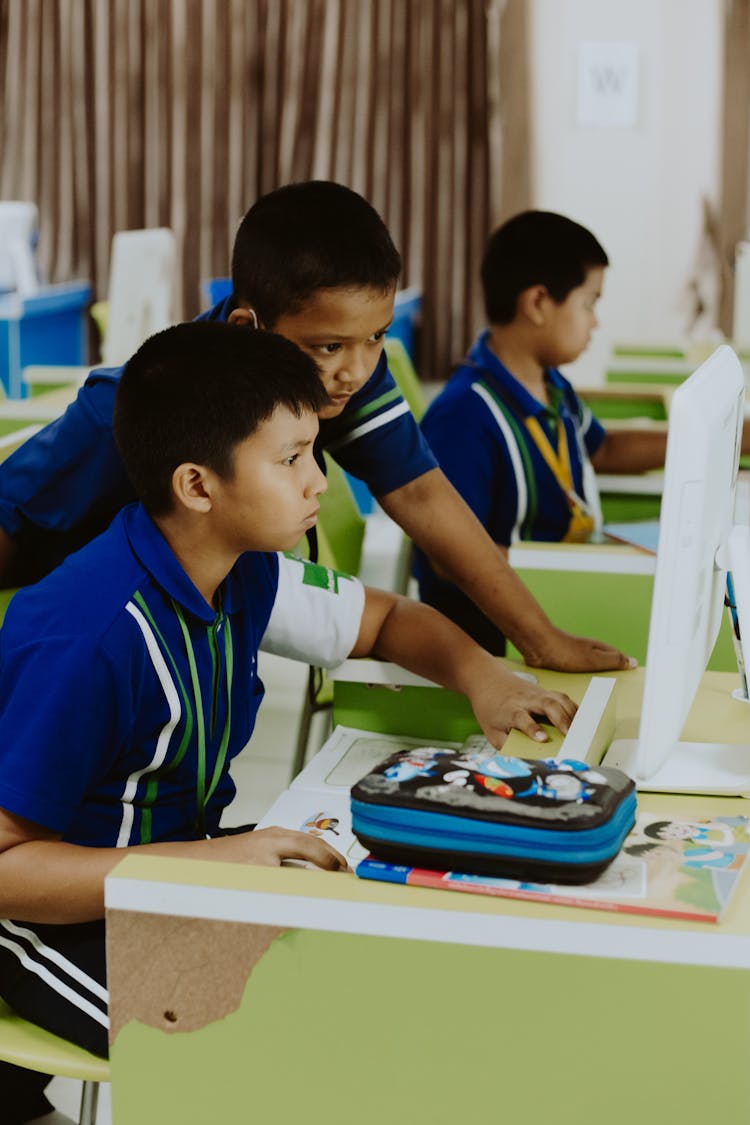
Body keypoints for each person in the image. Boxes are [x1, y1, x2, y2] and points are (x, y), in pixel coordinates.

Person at [0, 323, 577, 1123]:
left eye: (315, 451)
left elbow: (384, 620)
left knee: (386, 961)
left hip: (171, 870)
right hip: (43, 921)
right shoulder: (89, 635)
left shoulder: (245, 568)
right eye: (291, 459)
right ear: (199, 486)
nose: (318, 484)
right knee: (280, 1048)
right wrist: (217, 863)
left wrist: (487, 677)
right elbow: (8, 867)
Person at [0, 182, 634, 680]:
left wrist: (539, 640)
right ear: (250, 328)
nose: (356, 371)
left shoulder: (338, 372)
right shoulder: (126, 411)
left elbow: (422, 494)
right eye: (329, 345)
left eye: (377, 338)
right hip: (51, 596)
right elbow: (18, 525)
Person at [414, 210, 694, 653]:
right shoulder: (465, 414)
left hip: (561, 587)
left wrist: (699, 437)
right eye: (589, 303)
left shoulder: (550, 385)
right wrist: (569, 569)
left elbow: (602, 449)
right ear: (538, 303)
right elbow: (449, 558)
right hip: (501, 634)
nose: (595, 323)